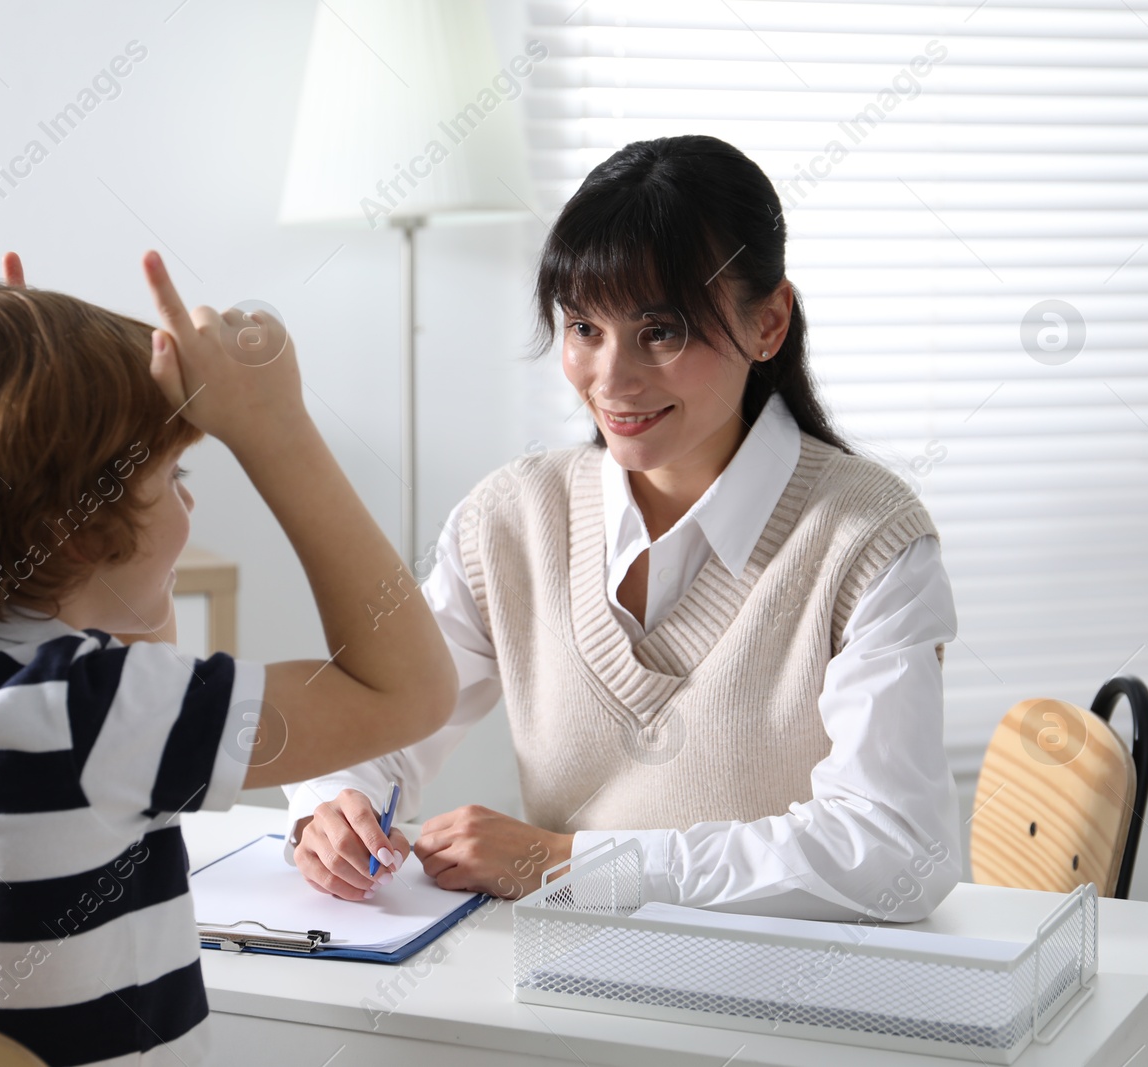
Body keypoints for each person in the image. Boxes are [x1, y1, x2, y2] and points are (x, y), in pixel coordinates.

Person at [286, 135, 964, 923]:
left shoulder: (868, 539)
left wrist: (568, 862)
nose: (612, 380)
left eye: (662, 331)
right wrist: (335, 805)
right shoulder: (511, 519)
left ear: (769, 322)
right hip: (564, 993)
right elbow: (385, 713)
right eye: (584, 328)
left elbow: (894, 850)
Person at [0, 251, 457, 1066]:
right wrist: (276, 429)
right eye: (173, 473)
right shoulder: (99, 715)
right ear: (81, 525)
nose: (188, 501)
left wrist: (17, 419)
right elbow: (411, 689)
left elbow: (120, 654)